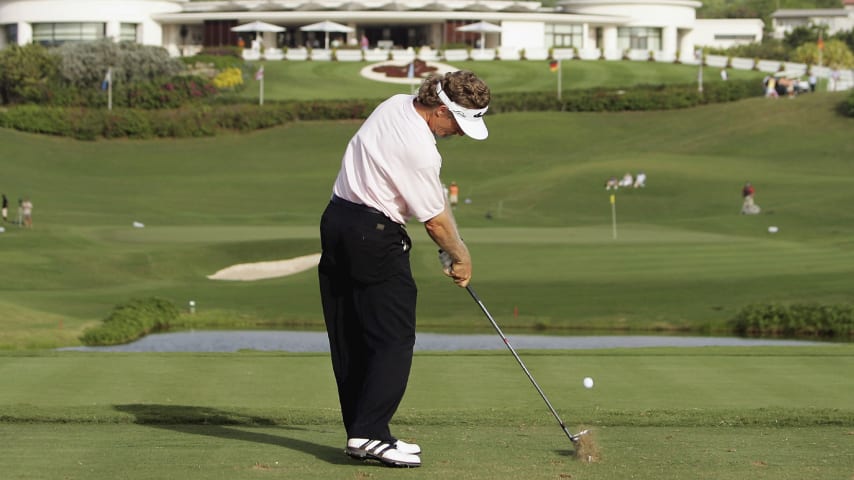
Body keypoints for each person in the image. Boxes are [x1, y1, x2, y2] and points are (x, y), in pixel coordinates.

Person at [317, 70, 490, 468]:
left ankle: (363, 431)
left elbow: (434, 200)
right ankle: (370, 433)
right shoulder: (421, 149)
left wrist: (452, 246)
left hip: (338, 221)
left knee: (352, 334)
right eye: (459, 125)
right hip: (374, 237)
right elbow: (435, 222)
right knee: (393, 337)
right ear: (441, 110)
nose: (460, 134)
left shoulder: (395, 104)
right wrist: (460, 255)